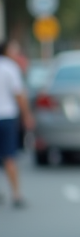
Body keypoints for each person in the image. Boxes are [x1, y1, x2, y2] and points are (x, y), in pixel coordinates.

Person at [0, 39, 35, 208]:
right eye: (14, 50)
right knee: (9, 156)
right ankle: (16, 194)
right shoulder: (10, 68)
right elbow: (19, 94)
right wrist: (27, 115)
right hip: (6, 117)